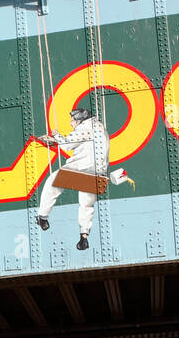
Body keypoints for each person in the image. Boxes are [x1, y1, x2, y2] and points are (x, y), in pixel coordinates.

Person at [36, 107, 133, 250]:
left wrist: (56, 136)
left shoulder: (86, 128)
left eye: (73, 120)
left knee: (52, 183)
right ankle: (84, 237)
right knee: (86, 205)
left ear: (80, 119)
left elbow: (68, 145)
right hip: (98, 175)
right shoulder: (100, 128)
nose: (71, 124)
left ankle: (42, 217)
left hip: (81, 171)